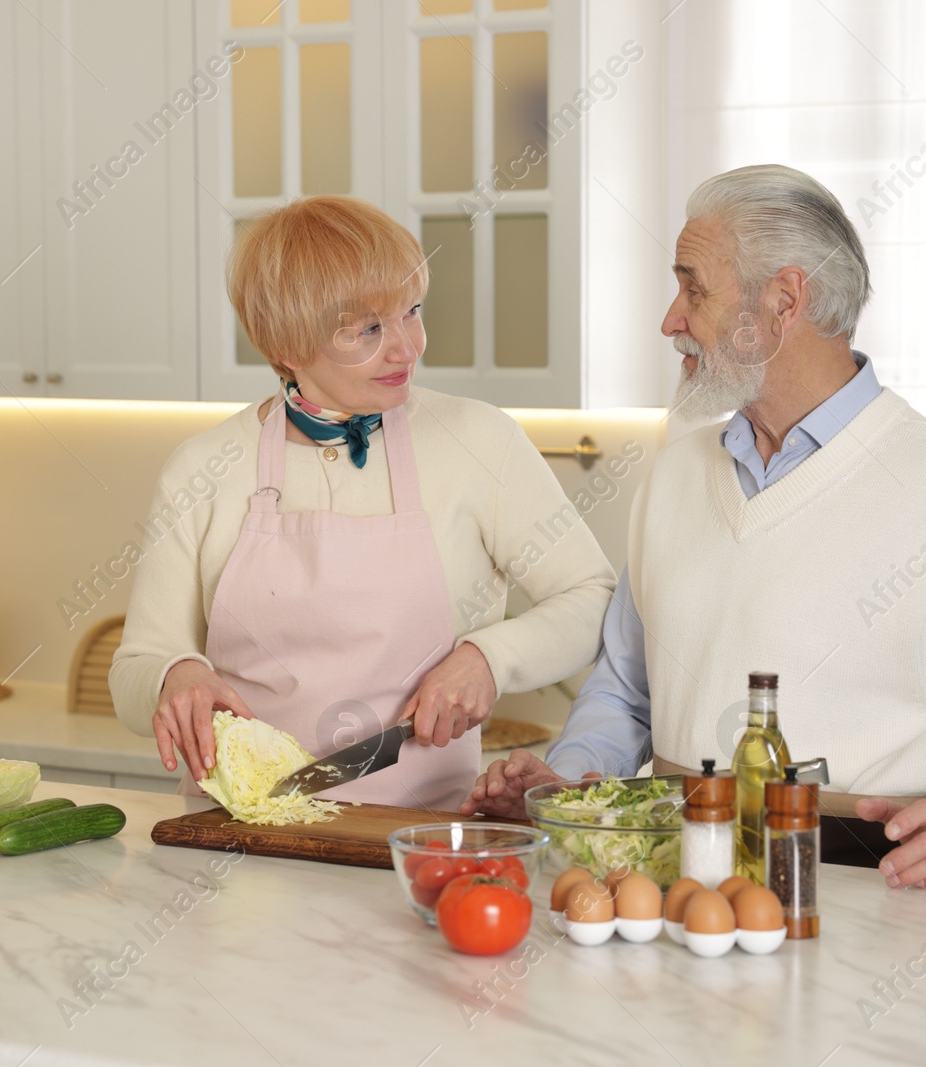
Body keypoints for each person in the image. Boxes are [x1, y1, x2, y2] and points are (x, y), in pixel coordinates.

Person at [463, 164, 926, 889]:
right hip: (668, 894)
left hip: (864, 902)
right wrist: (566, 781)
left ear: (784, 299)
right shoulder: (674, 473)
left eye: (694, 288)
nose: (670, 319)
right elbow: (626, 693)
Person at [111, 196, 615, 810]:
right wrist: (174, 676)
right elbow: (137, 666)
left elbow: (592, 599)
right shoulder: (202, 469)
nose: (408, 348)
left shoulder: (480, 441)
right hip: (238, 849)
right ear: (286, 343)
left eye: (412, 312)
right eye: (369, 330)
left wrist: (490, 657)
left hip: (418, 846)